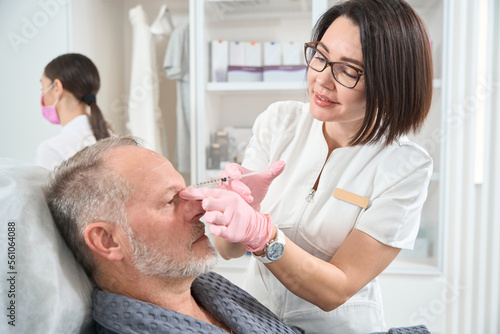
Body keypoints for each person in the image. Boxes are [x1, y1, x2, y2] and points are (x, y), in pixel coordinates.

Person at [180, 0, 434, 333]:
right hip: (256, 318)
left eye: (348, 70)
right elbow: (227, 251)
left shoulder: (404, 166)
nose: (322, 80)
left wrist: (263, 234)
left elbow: (337, 288)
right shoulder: (280, 122)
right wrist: (241, 208)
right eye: (321, 56)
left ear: (390, 83)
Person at [45, 136, 306, 334]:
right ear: (108, 240)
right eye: (171, 200)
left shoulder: (208, 290)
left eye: (187, 191)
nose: (200, 206)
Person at [36, 53, 113, 170]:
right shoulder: (115, 139)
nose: (42, 94)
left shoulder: (52, 150)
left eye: (43, 87)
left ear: (57, 87)